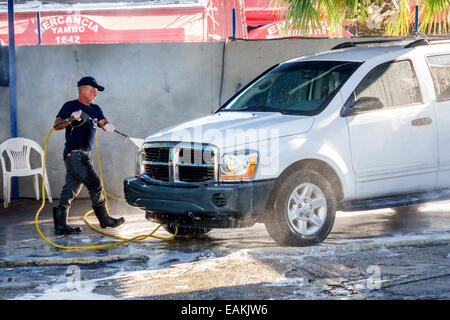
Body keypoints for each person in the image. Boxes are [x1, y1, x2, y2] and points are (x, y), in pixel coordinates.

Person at [53, 76, 125, 235]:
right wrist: (71, 118)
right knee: (96, 184)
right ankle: (105, 219)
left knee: (69, 190)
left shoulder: (96, 108)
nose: (95, 94)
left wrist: (107, 126)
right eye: (93, 90)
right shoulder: (70, 105)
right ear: (82, 89)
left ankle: (60, 226)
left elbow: (104, 122)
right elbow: (56, 125)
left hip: (85, 155)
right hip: (75, 155)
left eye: (96, 91)